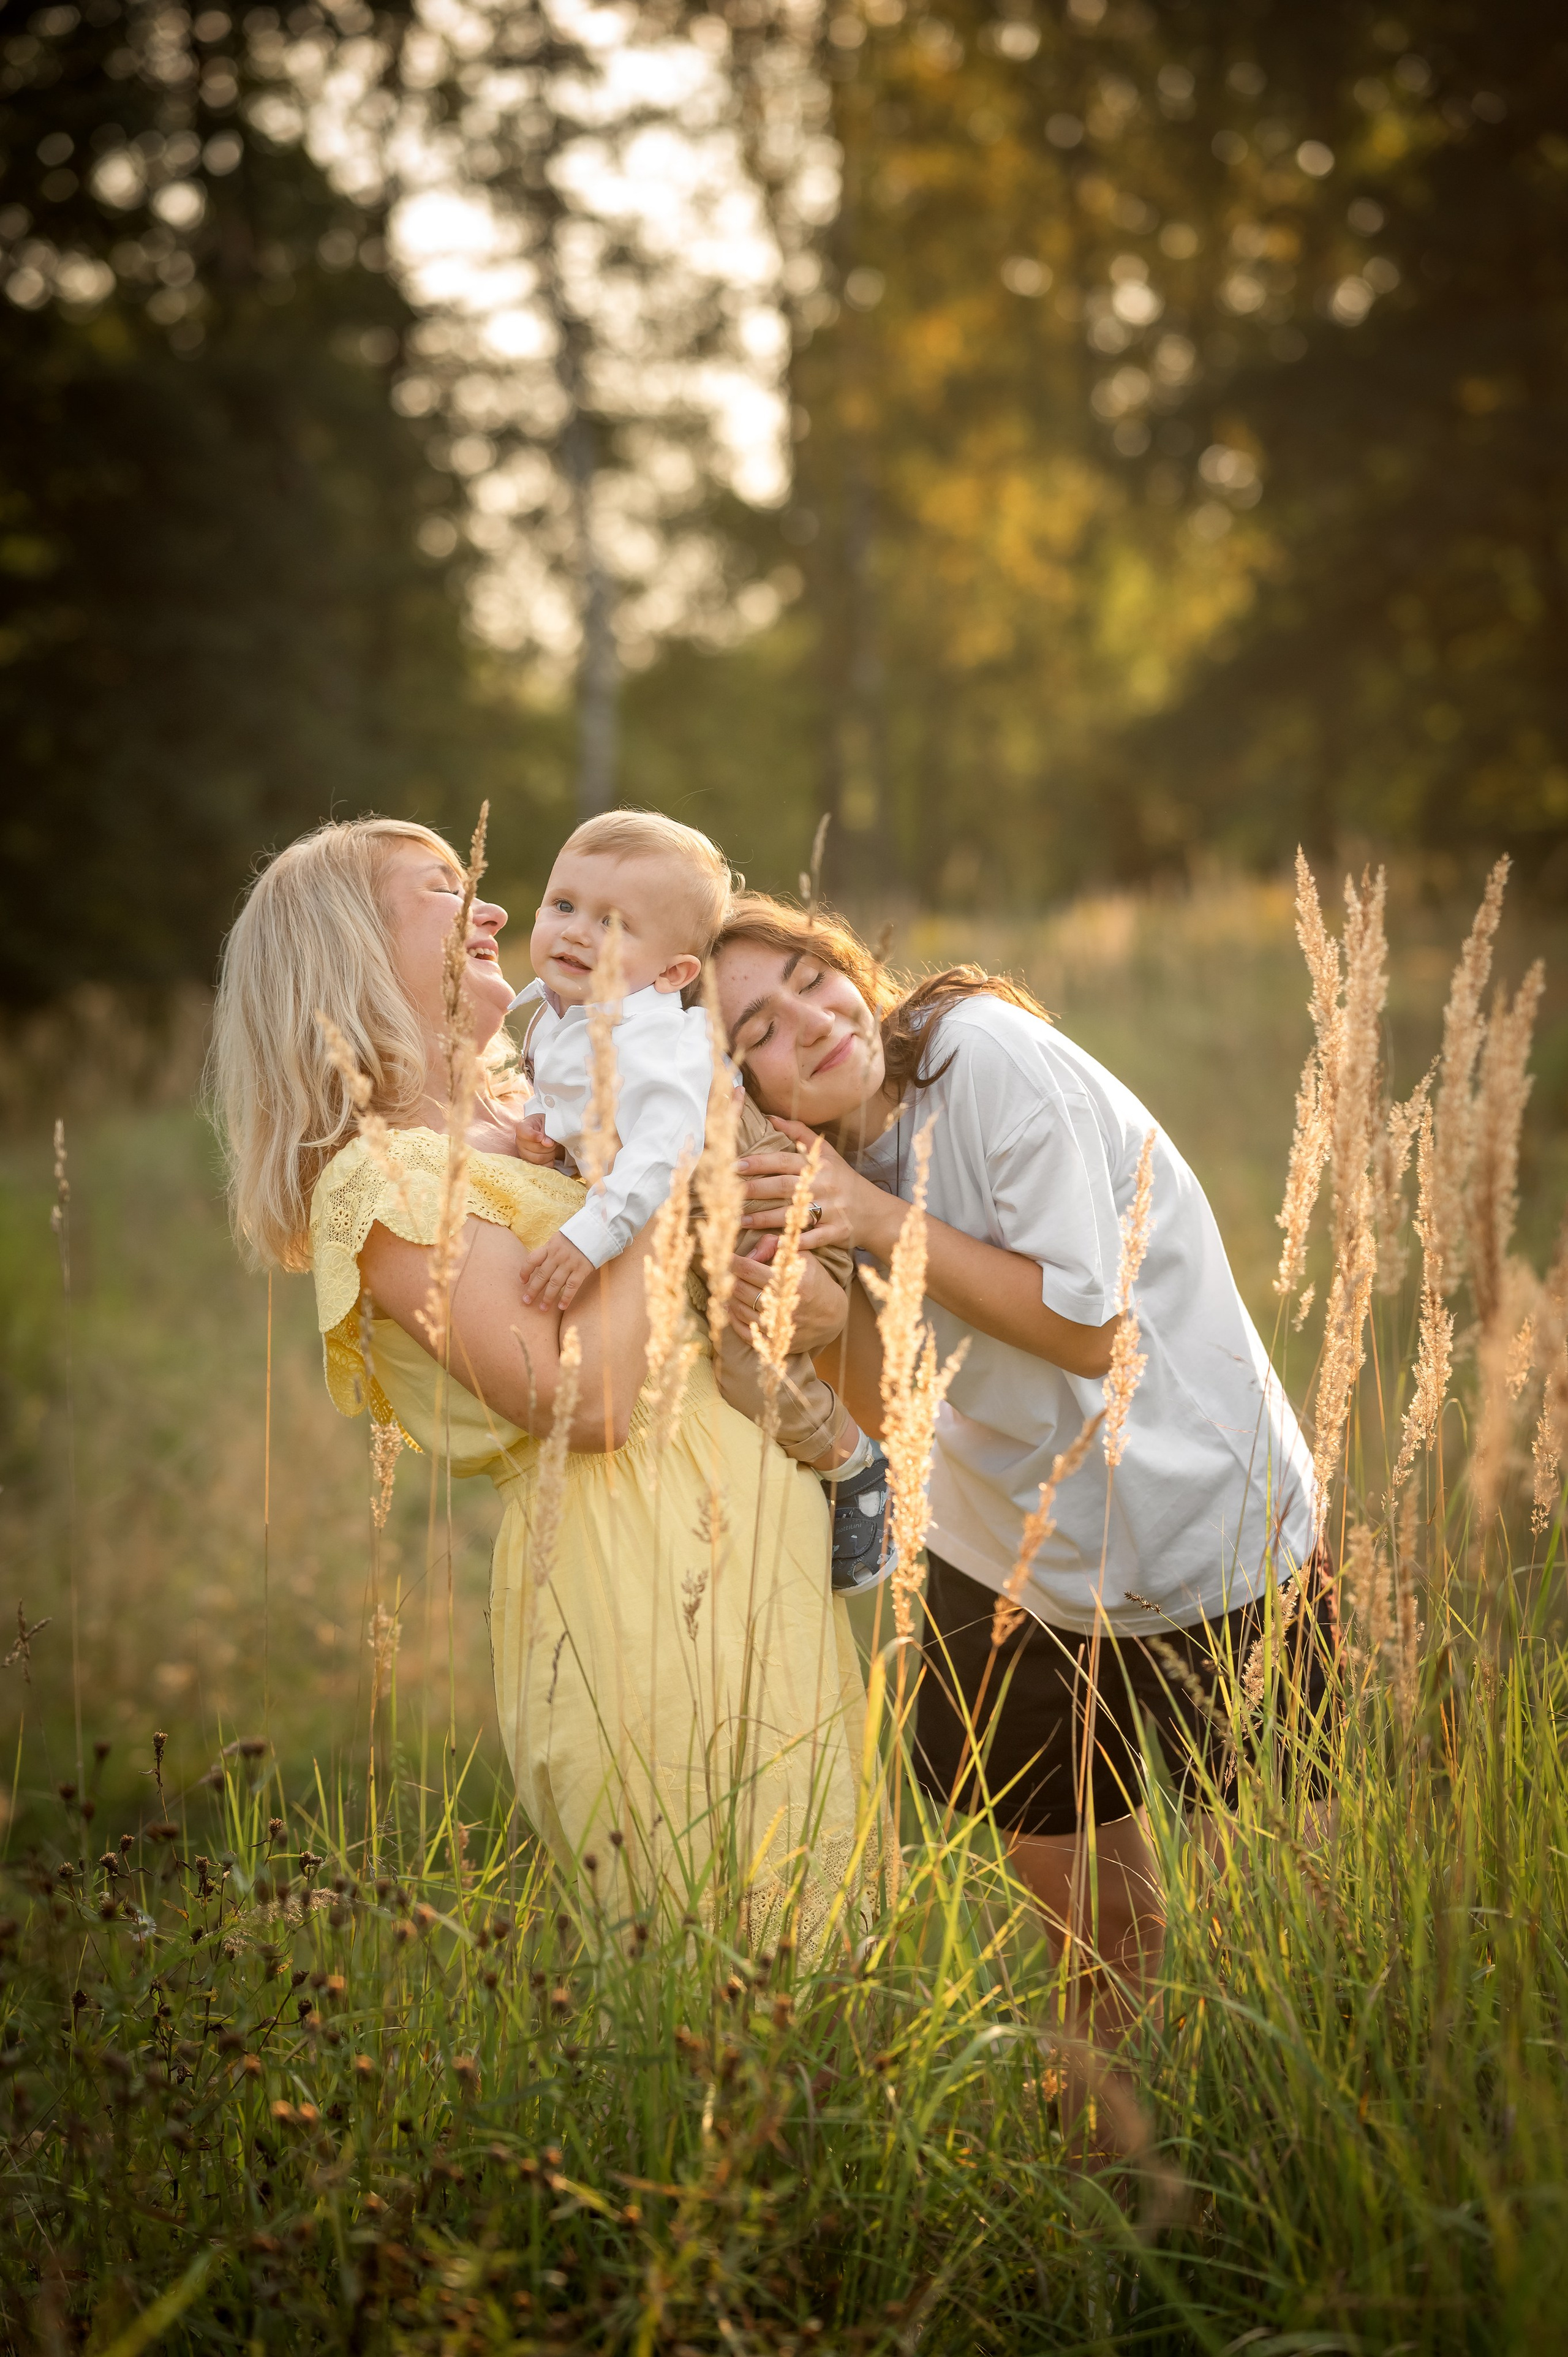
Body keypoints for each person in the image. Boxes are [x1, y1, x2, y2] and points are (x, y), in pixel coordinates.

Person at [207, 819, 873, 1937]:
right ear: (351, 948)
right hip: (634, 1577)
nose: (499, 913)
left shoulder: (533, 1125)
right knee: (722, 1950)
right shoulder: (383, 1179)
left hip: (751, 1544)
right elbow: (593, 1402)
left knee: (824, 1929)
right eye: (442, 889)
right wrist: (656, 1166)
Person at [710, 894, 1320, 2032]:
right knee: (1102, 1951)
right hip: (1007, 1554)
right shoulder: (802, 1176)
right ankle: (1113, 2189)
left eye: (806, 974)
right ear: (745, 1101)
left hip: (1200, 1525)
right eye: (753, 1037)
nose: (807, 1019)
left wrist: (871, 1216)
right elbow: (894, 1407)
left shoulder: (981, 1055)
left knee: (1293, 1924)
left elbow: (1091, 1334)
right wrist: (804, 1314)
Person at [509, 807, 896, 1591]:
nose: (577, 932)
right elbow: (575, 1098)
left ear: (674, 974)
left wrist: (591, 1233)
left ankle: (855, 1466)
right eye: (563, 905)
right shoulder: (557, 1012)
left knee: (748, 1365)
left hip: (758, 1205)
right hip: (683, 1215)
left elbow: (658, 1148)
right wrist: (548, 1135)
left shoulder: (659, 1040)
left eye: (614, 924)